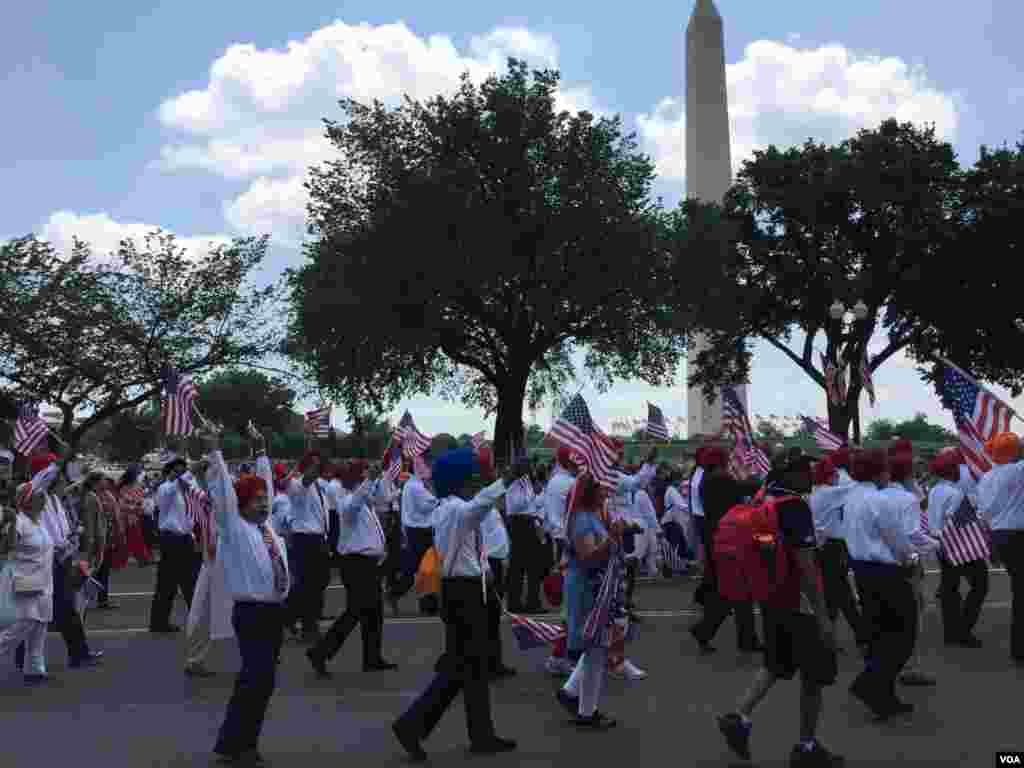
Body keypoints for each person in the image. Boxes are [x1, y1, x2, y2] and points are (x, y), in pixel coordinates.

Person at [716, 455, 843, 767]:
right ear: (794, 474)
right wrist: (823, 614)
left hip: (771, 597)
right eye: (805, 470)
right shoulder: (794, 507)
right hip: (798, 603)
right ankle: (807, 747)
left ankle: (739, 716)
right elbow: (806, 564)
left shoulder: (763, 499)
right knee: (814, 677)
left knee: (776, 663)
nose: (811, 474)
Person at [392, 448, 516, 762]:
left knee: (471, 670)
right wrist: (507, 479)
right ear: (459, 480)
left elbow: (474, 536)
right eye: (470, 475)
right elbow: (480, 506)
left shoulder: (452, 508)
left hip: (467, 589)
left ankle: (481, 735)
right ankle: (412, 725)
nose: (475, 479)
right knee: (463, 668)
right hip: (463, 593)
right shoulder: (454, 510)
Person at [204, 426, 290, 764]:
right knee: (254, 680)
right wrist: (215, 452)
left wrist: (261, 451)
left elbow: (264, 483)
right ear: (242, 504)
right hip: (251, 613)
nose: (264, 504)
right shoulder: (235, 527)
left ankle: (243, 742)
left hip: (273, 612)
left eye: (266, 500)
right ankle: (234, 744)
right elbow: (224, 492)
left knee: (263, 682)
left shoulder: (264, 527)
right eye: (257, 501)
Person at [845, 449, 917, 720]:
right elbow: (896, 540)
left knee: (880, 634)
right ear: (878, 471)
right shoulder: (878, 500)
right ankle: (870, 683)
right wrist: (910, 559)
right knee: (903, 636)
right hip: (886, 571)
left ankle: (884, 696)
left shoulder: (852, 498)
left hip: (862, 570)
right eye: (885, 468)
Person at [306, 460, 397, 677]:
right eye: (364, 475)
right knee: (356, 611)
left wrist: (375, 481)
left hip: (368, 564)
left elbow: (382, 498)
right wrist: (369, 482)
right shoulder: (348, 501)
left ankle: (372, 657)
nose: (368, 477)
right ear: (356, 479)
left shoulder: (366, 503)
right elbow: (352, 506)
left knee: (373, 612)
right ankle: (320, 652)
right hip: (356, 564)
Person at [690, 446, 762, 653]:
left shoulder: (708, 479)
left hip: (721, 536)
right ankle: (742, 638)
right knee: (740, 590)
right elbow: (746, 488)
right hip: (731, 536)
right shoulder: (721, 479)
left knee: (732, 591)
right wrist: (757, 477)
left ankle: (710, 631)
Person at [0, 465, 57, 685]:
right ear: (27, 500)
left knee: (40, 627)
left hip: (44, 583)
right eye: (39, 496)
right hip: (24, 581)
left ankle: (34, 669)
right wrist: (11, 523)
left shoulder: (41, 523)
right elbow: (6, 548)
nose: (43, 499)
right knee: (20, 627)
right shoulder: (19, 522)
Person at [927, 448, 988, 647]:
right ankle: (964, 630)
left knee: (950, 588)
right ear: (952, 471)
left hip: (940, 543)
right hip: (959, 544)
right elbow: (960, 521)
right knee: (980, 585)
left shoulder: (935, 490)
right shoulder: (955, 493)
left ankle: (951, 631)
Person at [808, 455, 867, 652]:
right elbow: (854, 488)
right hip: (832, 547)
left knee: (832, 594)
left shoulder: (816, 493)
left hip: (824, 547)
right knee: (843, 594)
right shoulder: (828, 493)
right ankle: (861, 635)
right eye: (833, 474)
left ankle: (829, 637)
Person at [977, 432, 1024, 664]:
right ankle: (1020, 648)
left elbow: (983, 513)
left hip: (999, 535)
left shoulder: (986, 478)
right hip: (1017, 535)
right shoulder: (1017, 471)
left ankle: (1019, 646)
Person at [149, 455, 202, 634]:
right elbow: (174, 488)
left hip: (185, 538)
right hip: (171, 539)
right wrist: (189, 474)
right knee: (167, 583)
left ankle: (197, 620)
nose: (181, 475)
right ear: (170, 473)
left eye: (183, 471)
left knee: (190, 581)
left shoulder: (186, 491)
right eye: (177, 472)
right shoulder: (165, 489)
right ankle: (158, 622)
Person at [285, 450, 329, 642]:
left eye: (319, 464)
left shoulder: (319, 486)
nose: (317, 468)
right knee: (307, 587)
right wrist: (316, 465)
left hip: (318, 539)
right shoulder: (297, 484)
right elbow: (307, 478)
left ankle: (289, 616)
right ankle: (308, 627)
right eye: (313, 464)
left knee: (318, 583)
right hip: (304, 540)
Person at [395, 465, 441, 616]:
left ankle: (426, 603)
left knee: (420, 568)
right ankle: (425, 603)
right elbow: (426, 506)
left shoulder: (412, 484)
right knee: (425, 568)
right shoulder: (416, 487)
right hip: (420, 531)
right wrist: (438, 498)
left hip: (415, 530)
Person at [505, 459, 543, 613]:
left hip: (528, 523)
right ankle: (516, 603)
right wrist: (532, 494)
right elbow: (517, 505)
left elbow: (531, 504)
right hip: (520, 524)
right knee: (518, 566)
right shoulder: (515, 485)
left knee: (532, 566)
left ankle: (532, 602)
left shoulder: (526, 483)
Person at [118, 465, 152, 566]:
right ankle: (142, 558)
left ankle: (142, 558)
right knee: (132, 539)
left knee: (135, 539)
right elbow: (121, 505)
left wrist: (142, 505)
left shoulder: (137, 487)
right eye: (138, 474)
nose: (140, 476)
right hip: (126, 519)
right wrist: (134, 507)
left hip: (135, 518)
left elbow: (141, 500)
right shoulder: (124, 488)